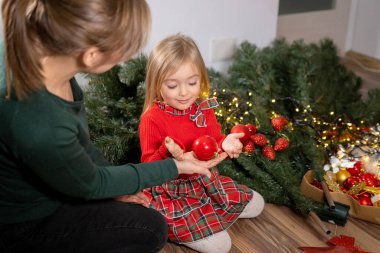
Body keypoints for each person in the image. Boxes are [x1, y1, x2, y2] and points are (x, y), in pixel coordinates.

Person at [0, 1, 227, 253]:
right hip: (25, 224)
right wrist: (174, 166)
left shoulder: (48, 59)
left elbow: (82, 146)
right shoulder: (38, 121)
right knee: (151, 229)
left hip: (59, 185)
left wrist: (118, 189)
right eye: (124, 50)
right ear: (91, 55)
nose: (127, 57)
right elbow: (90, 183)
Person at [139, 34, 265, 253]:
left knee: (258, 204)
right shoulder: (152, 119)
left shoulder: (203, 110)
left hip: (204, 181)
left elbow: (215, 139)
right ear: (157, 85)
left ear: (201, 79)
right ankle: (178, 225)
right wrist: (169, 154)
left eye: (192, 82)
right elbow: (148, 165)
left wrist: (226, 143)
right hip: (171, 189)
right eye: (172, 85)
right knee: (221, 246)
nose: (184, 92)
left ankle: (207, 217)